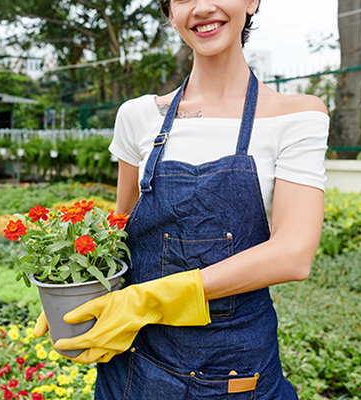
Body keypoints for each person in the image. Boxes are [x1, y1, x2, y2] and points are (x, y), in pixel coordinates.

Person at [34, 0, 328, 398]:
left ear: (252, 2)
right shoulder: (138, 116)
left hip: (232, 375)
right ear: (170, 13)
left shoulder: (295, 116)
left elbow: (293, 252)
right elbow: (122, 227)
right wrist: (73, 287)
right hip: (131, 369)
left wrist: (150, 299)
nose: (202, 7)